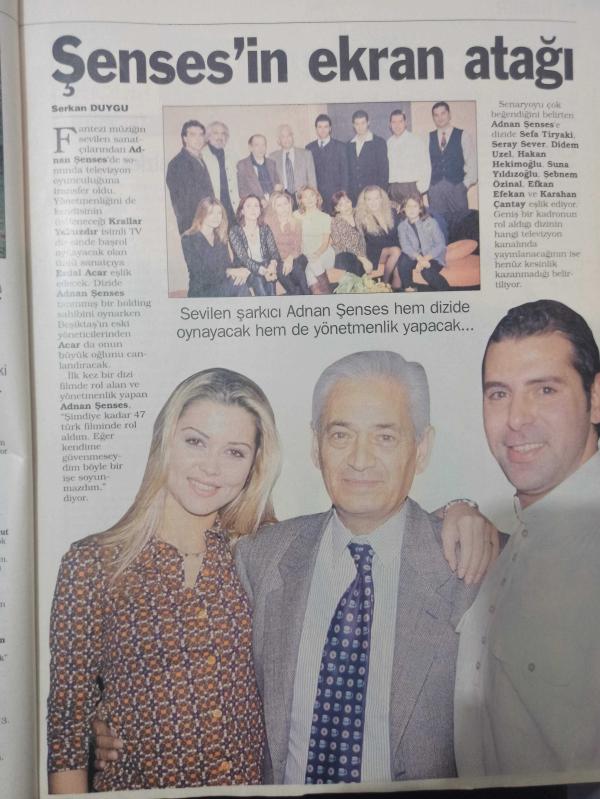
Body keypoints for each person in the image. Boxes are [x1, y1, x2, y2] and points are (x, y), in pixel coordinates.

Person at [234, 351, 494, 784]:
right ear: (316, 446)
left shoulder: (471, 568)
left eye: (385, 437)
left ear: (422, 448)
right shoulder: (260, 558)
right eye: (341, 435)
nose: (359, 459)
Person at [47, 368, 282, 793]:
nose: (211, 467)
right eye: (195, 441)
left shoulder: (267, 554)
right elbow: (67, 730)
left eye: (234, 452)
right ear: (165, 440)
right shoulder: (92, 565)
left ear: (254, 465)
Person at [454, 300, 600, 778]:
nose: (517, 418)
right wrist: (458, 511)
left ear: (596, 398)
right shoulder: (519, 538)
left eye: (545, 390)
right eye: (499, 394)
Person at [181, 198, 250, 297]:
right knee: (240, 287)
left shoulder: (220, 237)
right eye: (211, 213)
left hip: (221, 284)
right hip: (202, 290)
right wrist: (229, 271)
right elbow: (199, 272)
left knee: (240, 282)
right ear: (202, 214)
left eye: (219, 213)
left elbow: (227, 265)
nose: (216, 217)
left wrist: (242, 271)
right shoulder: (188, 238)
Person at [427, 102, 477, 223]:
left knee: (461, 225)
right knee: (439, 226)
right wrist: (429, 187)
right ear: (433, 118)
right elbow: (424, 165)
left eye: (443, 113)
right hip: (435, 190)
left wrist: (463, 186)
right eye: (436, 115)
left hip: (456, 189)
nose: (440, 117)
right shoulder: (428, 137)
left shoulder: (463, 135)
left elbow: (473, 164)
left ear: (449, 115)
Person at [166, 120, 215, 235]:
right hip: (193, 227)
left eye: (201, 135)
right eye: (193, 135)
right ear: (185, 138)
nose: (198, 139)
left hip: (207, 224)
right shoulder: (177, 163)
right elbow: (183, 203)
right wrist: (195, 229)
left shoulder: (200, 158)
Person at [229, 195, 280, 297]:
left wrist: (272, 265)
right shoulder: (235, 231)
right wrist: (262, 270)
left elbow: (274, 252)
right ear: (242, 211)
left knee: (271, 290)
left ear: (260, 210)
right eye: (248, 206)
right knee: (259, 280)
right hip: (246, 269)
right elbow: (243, 258)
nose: (253, 209)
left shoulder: (265, 228)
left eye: (256, 206)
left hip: (265, 266)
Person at [397, 194, 449, 292]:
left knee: (426, 272)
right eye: (408, 206)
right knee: (403, 260)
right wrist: (419, 258)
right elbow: (405, 246)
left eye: (415, 206)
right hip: (416, 256)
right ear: (404, 209)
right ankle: (409, 288)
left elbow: (441, 245)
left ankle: (447, 291)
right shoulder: (402, 226)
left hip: (433, 256)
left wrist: (424, 260)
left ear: (420, 209)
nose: (411, 209)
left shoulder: (431, 222)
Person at [264, 191, 310, 295]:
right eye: (279, 205)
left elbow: (297, 247)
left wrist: (289, 259)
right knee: (282, 270)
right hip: (277, 259)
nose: (284, 208)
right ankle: (297, 295)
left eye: (285, 203)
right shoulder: (268, 222)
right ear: (274, 207)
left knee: (297, 268)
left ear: (290, 205)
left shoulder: (296, 222)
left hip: (295, 257)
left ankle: (306, 296)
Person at [354, 186, 401, 288]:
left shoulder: (391, 212)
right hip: (375, 252)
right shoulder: (361, 218)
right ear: (364, 202)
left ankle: (396, 291)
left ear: (381, 199)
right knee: (396, 251)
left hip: (393, 250)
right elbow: (359, 242)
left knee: (398, 268)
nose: (373, 202)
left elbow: (400, 233)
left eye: (376, 198)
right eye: (369, 199)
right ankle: (384, 283)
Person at [293, 186, 335, 295]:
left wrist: (316, 254)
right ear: (301, 200)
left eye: (312, 195)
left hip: (324, 253)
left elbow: (325, 242)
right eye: (305, 197)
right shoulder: (296, 215)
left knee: (312, 265)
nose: (309, 199)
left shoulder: (325, 217)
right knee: (310, 271)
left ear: (317, 197)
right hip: (307, 256)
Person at [306, 114, 349, 214]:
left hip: (335, 195)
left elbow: (345, 173)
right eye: (320, 127)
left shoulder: (340, 147)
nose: (323, 130)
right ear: (316, 129)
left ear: (330, 128)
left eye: (326, 127)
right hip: (317, 195)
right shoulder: (309, 148)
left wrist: (343, 194)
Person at [386, 109, 431, 205]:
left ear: (405, 123)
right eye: (394, 122)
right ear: (390, 125)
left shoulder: (416, 141)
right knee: (396, 214)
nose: (397, 125)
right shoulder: (389, 143)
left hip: (411, 188)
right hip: (393, 188)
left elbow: (425, 166)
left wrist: (421, 190)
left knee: (413, 214)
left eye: (400, 121)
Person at [269, 125, 317, 208]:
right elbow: (271, 180)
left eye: (289, 135)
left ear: (292, 137)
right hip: (283, 198)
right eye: (283, 137)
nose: (286, 139)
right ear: (279, 140)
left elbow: (312, 180)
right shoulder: (273, 157)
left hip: (303, 197)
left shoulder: (306, 154)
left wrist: (313, 200)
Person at [347, 109, 389, 203]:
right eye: (357, 124)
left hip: (373, 196)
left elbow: (384, 172)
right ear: (353, 125)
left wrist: (380, 195)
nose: (360, 127)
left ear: (368, 123)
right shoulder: (349, 145)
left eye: (363, 123)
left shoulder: (379, 142)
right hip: (354, 196)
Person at [203, 121, 239, 226]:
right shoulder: (202, 156)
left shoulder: (232, 155)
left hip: (232, 208)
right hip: (212, 210)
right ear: (208, 136)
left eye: (223, 134)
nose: (220, 137)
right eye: (216, 133)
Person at [329, 190, 374, 277]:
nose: (346, 206)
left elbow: (373, 207)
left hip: (362, 252)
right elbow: (346, 246)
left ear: (351, 202)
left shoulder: (358, 214)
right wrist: (363, 259)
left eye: (347, 202)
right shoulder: (335, 222)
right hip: (345, 255)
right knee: (351, 260)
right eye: (341, 205)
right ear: (336, 208)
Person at [236, 134, 281, 204]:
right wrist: (259, 200)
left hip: (273, 204)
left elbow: (278, 183)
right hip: (255, 206)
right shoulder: (242, 165)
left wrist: (278, 188)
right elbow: (242, 192)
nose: (261, 148)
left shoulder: (272, 163)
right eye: (257, 145)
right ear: (250, 148)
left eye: (263, 145)